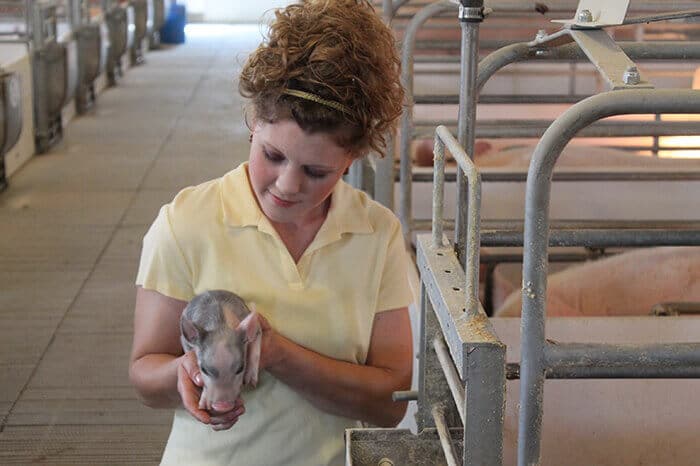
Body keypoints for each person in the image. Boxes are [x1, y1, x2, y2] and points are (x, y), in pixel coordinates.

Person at [128, 1, 413, 464]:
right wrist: (188, 371)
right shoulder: (187, 221)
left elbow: (391, 402)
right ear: (253, 123)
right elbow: (144, 374)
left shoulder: (376, 234)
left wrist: (280, 356)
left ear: (352, 159)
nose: (286, 185)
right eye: (273, 155)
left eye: (317, 171)